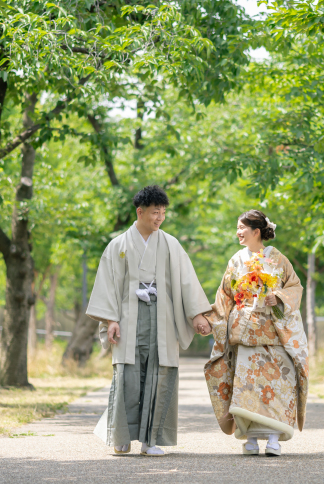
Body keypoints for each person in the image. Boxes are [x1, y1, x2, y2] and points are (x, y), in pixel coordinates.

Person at [86, 185, 211, 456]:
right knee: (127, 376)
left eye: (163, 213)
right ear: (140, 212)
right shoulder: (118, 245)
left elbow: (187, 281)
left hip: (162, 314)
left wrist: (197, 314)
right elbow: (108, 285)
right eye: (155, 212)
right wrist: (111, 320)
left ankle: (150, 441)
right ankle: (122, 437)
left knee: (159, 373)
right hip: (127, 315)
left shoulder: (170, 244)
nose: (160, 218)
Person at [203, 210, 309, 456]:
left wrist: (278, 297)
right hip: (244, 332)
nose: (238, 232)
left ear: (256, 231)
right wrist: (208, 320)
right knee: (246, 389)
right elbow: (225, 296)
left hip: (274, 334)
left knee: (276, 385)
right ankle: (250, 439)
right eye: (237, 227)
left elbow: (295, 286)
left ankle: (273, 439)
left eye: (242, 227)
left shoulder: (278, 259)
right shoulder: (236, 260)